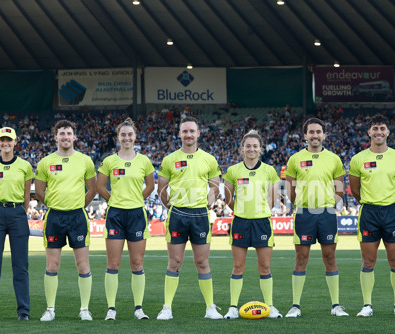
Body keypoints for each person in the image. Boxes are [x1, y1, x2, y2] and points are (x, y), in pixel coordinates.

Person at [156, 116, 223, 320]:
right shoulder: (169, 160)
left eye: (192, 131)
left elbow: (215, 187)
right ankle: (167, 308)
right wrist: (174, 207)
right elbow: (162, 190)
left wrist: (206, 204)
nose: (188, 134)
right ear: (179, 134)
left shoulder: (209, 159)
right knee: (174, 261)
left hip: (200, 215)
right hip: (177, 215)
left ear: (198, 134)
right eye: (184, 131)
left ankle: (210, 308)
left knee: (202, 262)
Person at [283, 118, 347, 318]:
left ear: (324, 135)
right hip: (304, 213)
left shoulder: (334, 159)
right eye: (311, 132)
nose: (315, 135)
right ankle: (295, 306)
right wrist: (302, 203)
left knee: (330, 257)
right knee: (301, 258)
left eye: (318, 132)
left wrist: (328, 204)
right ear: (305, 136)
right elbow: (290, 191)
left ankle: (336, 305)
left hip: (326, 213)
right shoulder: (295, 159)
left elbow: (340, 189)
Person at [35, 120, 97, 321]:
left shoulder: (85, 160)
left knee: (82, 265)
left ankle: (84, 309)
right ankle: (50, 309)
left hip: (78, 216)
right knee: (52, 265)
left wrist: (79, 205)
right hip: (54, 217)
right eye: (61, 133)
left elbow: (92, 189)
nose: (65, 137)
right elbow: (39, 191)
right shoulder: (45, 162)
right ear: (55, 137)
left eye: (68, 133)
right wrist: (55, 205)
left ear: (74, 137)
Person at [348, 115, 395, 317]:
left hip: (392, 212)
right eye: (375, 128)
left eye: (382, 128)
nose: (379, 132)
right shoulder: (358, 159)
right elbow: (355, 190)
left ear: (388, 132)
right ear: (369, 132)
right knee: (368, 262)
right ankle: (367, 305)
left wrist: (388, 201)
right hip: (369, 212)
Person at [96, 118, 155, 320]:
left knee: (137, 263)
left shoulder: (144, 161)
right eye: (123, 134)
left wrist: (136, 200)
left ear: (135, 137)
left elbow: (150, 186)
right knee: (113, 264)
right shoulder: (109, 161)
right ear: (118, 138)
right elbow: (100, 187)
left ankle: (138, 308)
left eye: (130, 134)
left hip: (137, 214)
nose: (127, 137)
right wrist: (114, 201)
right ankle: (111, 309)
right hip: (115, 214)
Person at [222, 130, 282, 319]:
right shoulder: (233, 170)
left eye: (255, 146)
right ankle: (233, 307)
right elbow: (228, 198)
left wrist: (259, 211)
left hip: (262, 222)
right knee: (238, 267)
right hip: (240, 222)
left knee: (264, 266)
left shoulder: (269, 171)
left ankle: (270, 306)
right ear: (242, 149)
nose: (251, 149)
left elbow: (273, 199)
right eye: (248, 146)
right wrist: (241, 210)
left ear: (260, 149)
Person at [0, 127, 33, 321]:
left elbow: (27, 194)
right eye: (2, 140)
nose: (5, 143)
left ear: (15, 142)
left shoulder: (25, 166)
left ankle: (23, 311)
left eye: (9, 140)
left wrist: (21, 210)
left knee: (20, 265)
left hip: (17, 213)